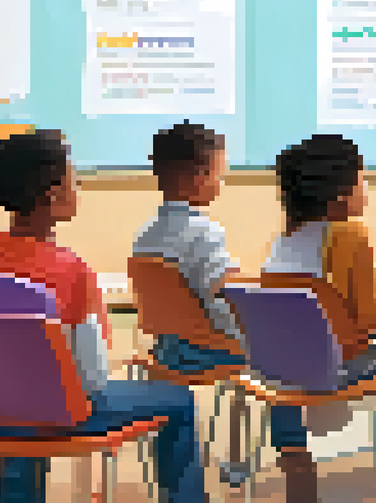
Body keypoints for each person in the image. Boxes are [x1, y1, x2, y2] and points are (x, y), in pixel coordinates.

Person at [0, 130, 206, 503]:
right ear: (53, 194)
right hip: (57, 414)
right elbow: (92, 378)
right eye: (74, 179)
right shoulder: (70, 269)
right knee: (179, 400)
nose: (79, 188)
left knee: (22, 395)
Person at [262, 135, 376, 503]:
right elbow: (368, 322)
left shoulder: (282, 239)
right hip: (334, 365)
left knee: (290, 370)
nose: (365, 185)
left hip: (280, 366)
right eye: (361, 177)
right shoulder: (352, 234)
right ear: (341, 193)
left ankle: (297, 468)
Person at [132, 121, 248, 485]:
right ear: (198, 175)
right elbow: (223, 303)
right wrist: (251, 333)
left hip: (168, 351)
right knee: (279, 353)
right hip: (210, 351)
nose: (220, 183)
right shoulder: (205, 233)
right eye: (219, 174)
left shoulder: (146, 234)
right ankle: (282, 457)